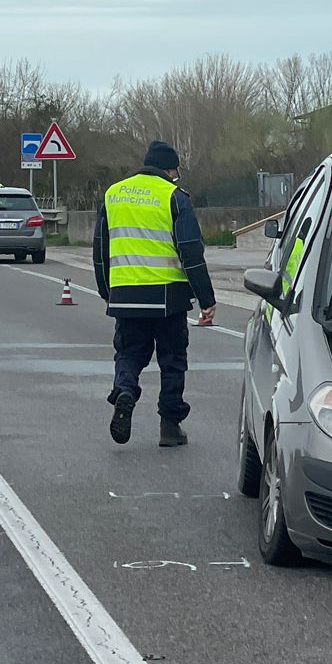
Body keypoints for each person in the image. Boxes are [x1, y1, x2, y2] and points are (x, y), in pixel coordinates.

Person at [92, 141, 216, 447]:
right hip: (167, 296)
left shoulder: (113, 195)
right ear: (170, 170)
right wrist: (207, 299)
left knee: (129, 353)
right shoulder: (174, 197)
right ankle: (170, 427)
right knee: (172, 359)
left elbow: (100, 250)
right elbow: (191, 253)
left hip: (124, 294)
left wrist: (107, 291)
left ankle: (125, 390)